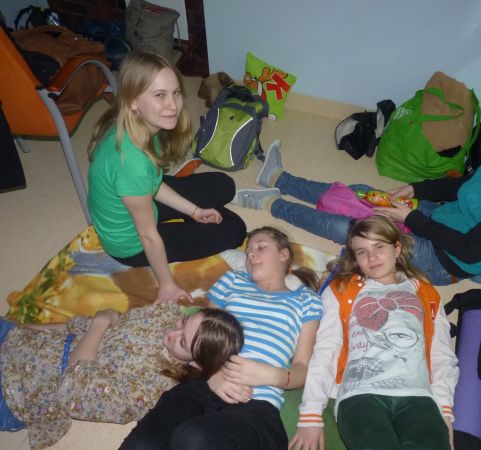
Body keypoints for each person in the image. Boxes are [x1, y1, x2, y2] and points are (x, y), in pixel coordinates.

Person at [233, 102, 481, 285]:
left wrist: (412, 218)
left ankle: (272, 204)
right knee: (364, 194)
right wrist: (416, 189)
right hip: (439, 217)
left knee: (353, 231)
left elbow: (469, 249)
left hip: (445, 259)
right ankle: (278, 177)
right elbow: (466, 187)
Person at [120, 226, 323, 450]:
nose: (251, 254)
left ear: (284, 254)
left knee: (194, 438)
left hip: (255, 404)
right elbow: (202, 335)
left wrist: (271, 374)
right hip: (203, 387)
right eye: (248, 251)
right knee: (143, 444)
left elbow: (302, 367)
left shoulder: (306, 300)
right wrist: (213, 374)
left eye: (260, 247)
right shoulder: (233, 280)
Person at [87, 52, 246, 304]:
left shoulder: (141, 125)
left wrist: (194, 211)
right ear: (133, 101)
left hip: (138, 194)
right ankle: (190, 224)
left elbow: (154, 183)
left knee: (224, 185)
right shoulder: (133, 162)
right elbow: (147, 235)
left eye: (176, 92)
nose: (173, 105)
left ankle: (191, 215)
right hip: (132, 242)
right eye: (160, 95)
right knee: (234, 229)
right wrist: (167, 285)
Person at [289, 216, 458, 450]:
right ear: (355, 258)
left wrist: (445, 411)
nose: (372, 257)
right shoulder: (341, 290)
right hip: (360, 396)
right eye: (362, 252)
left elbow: (442, 355)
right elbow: (326, 351)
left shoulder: (427, 294)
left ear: (397, 248)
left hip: (419, 397)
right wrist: (310, 414)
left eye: (379, 246)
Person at [0, 305, 243, 449]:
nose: (172, 332)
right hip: (28, 343)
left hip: (18, 391)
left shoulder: (150, 390)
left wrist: (99, 324)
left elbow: (72, 391)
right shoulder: (162, 316)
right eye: (184, 321)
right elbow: (77, 328)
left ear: (195, 363)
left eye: (181, 342)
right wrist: (20, 328)